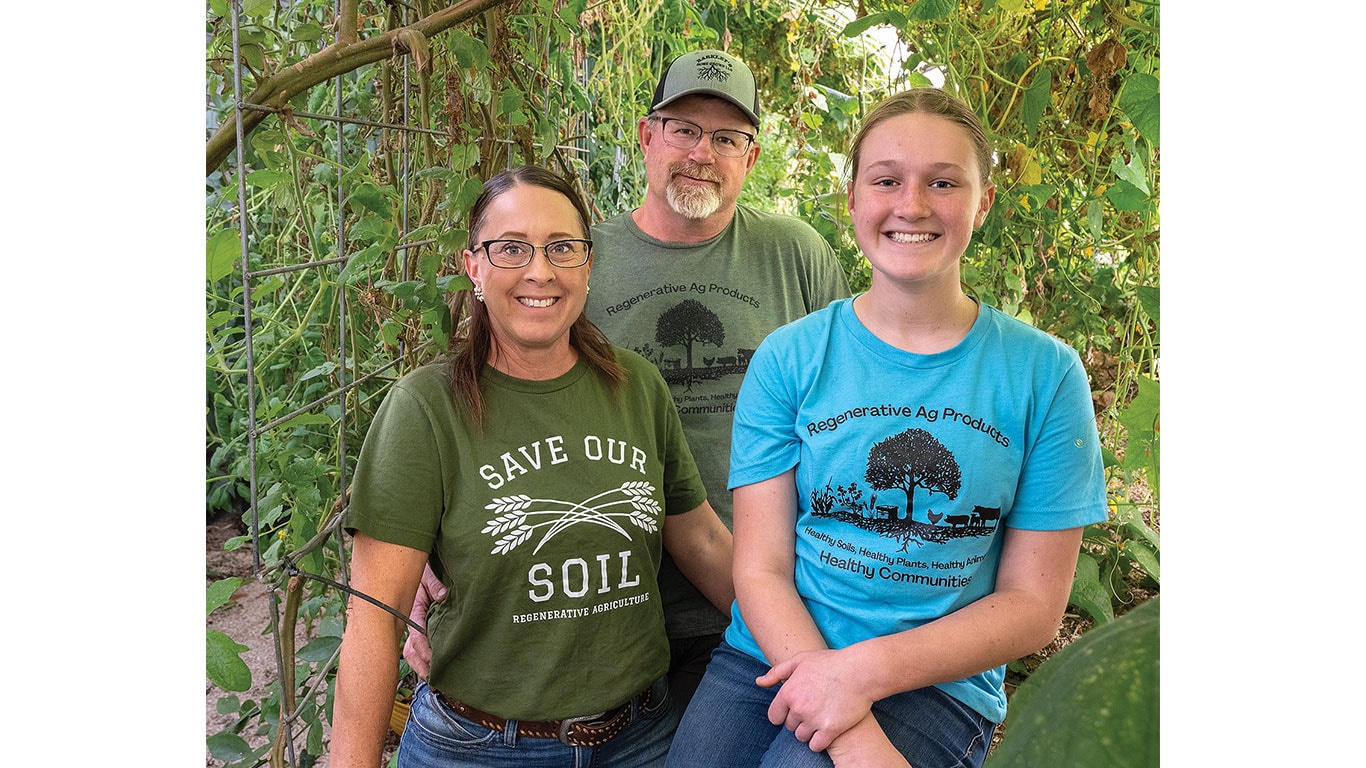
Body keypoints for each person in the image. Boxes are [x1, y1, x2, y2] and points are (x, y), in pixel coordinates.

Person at [662, 88, 1110, 768]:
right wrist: (842, 714)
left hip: (934, 677)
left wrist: (861, 678)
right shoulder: (791, 357)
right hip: (774, 648)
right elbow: (760, 568)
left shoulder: (1044, 376)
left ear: (983, 202)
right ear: (853, 200)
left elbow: (1031, 606)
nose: (912, 204)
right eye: (887, 180)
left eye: (943, 182)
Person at [404, 49, 852, 716]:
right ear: (647, 137)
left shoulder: (798, 254)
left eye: (727, 137)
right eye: (684, 130)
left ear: (751, 158)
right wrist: (423, 542)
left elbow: (846, 416)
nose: (702, 153)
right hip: (601, 604)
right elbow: (486, 399)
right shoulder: (573, 260)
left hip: (769, 594)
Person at [331, 166, 734, 768]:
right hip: (483, 747)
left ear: (588, 265)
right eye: (511, 249)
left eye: (562, 248)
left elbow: (700, 539)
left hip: (642, 737)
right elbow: (373, 624)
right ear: (474, 266)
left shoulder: (636, 387)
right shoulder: (427, 408)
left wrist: (808, 648)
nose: (539, 271)